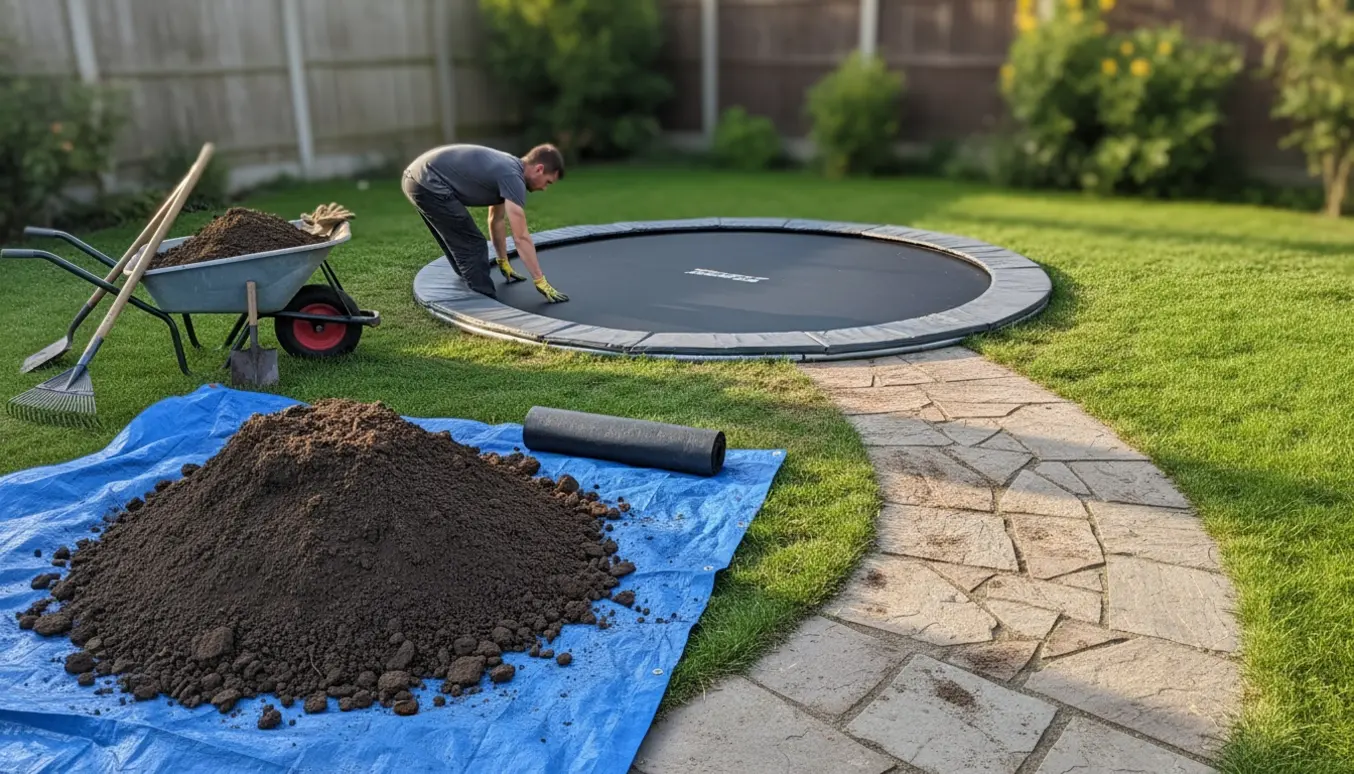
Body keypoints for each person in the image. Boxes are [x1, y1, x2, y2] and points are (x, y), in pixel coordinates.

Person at [401, 142, 569, 302]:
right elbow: (521, 237)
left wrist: (503, 260)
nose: (544, 188)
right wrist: (540, 280)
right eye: (547, 182)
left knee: (462, 244)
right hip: (428, 182)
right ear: (539, 169)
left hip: (416, 178)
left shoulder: (508, 169)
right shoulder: (512, 176)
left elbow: (496, 220)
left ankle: (470, 283)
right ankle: (484, 305)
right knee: (473, 245)